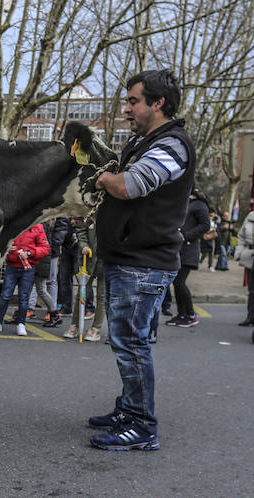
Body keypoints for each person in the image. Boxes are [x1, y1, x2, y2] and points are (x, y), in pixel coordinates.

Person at [90, 69, 195, 451]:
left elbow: (131, 185)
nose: (128, 108)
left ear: (158, 103)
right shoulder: (146, 141)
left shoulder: (173, 144)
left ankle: (141, 426)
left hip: (143, 263)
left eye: (134, 101)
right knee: (127, 342)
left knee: (131, 344)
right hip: (131, 259)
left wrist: (104, 179)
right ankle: (129, 410)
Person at [0, 224, 50, 336]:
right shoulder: (16, 222)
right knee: (5, 295)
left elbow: (45, 248)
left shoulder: (37, 227)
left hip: (27, 267)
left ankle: (21, 323)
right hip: (12, 266)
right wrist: (6, 247)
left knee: (24, 297)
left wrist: (29, 253)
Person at [165, 188, 209, 328]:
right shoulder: (187, 203)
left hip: (189, 250)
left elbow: (205, 225)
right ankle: (182, 314)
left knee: (179, 282)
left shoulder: (200, 205)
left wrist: (185, 236)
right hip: (180, 249)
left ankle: (190, 314)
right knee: (177, 283)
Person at [63, 219, 106, 342]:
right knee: (82, 293)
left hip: (105, 259)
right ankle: (75, 325)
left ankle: (95, 328)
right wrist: (84, 245)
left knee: (102, 296)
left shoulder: (113, 208)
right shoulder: (89, 209)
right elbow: (81, 229)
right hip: (88, 258)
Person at [234, 209, 254, 326]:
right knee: (252, 291)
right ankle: (250, 317)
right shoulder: (251, 216)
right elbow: (241, 236)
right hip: (250, 256)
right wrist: (240, 253)